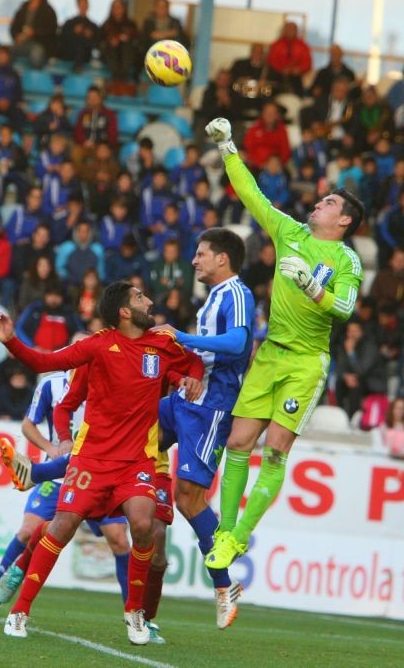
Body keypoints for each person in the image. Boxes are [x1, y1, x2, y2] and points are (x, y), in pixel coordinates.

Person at [0, 281, 204, 643]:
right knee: (61, 527)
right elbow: (45, 362)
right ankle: (19, 611)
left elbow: (194, 360)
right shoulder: (98, 344)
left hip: (137, 461)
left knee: (143, 523)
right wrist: (10, 339)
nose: (148, 301)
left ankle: (135, 614)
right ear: (124, 311)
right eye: (139, 297)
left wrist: (192, 379)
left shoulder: (162, 344)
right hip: (92, 460)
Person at [203, 117, 364, 570]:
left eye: (328, 202)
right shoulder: (290, 232)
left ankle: (238, 537)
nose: (318, 203)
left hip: (306, 363)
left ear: (344, 220)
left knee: (274, 450)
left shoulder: (346, 259)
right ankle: (224, 531)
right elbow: (251, 194)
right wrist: (228, 146)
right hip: (270, 353)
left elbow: (346, 308)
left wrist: (313, 287)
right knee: (238, 443)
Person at [0, 364, 130, 618]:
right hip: (58, 477)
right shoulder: (52, 384)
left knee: (119, 539)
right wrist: (50, 449)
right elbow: (27, 425)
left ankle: (135, 614)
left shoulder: (109, 382)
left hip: (97, 477)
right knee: (27, 531)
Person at [151, 228, 254, 629]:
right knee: (125, 434)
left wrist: (181, 336)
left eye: (200, 254)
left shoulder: (236, 294)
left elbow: (238, 343)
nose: (194, 260)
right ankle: (40, 474)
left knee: (189, 499)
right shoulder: (213, 297)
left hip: (210, 408)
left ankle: (224, 585)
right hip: (184, 398)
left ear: (222, 259)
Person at [9, 0, 58, 70]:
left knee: (36, 57)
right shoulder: (23, 9)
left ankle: (33, 79)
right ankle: (9, 77)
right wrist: (16, 36)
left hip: (40, 44)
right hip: (22, 43)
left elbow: (51, 30)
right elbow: (14, 27)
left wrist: (34, 33)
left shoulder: (48, 10)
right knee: (5, 54)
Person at [60, 0, 99, 69]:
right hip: (70, 54)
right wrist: (73, 32)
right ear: (77, 5)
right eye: (81, 4)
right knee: (78, 43)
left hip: (85, 56)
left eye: (84, 4)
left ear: (88, 5)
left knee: (81, 43)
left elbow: (96, 44)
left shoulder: (93, 26)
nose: (83, 6)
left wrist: (89, 36)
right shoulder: (69, 23)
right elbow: (63, 40)